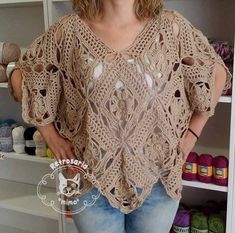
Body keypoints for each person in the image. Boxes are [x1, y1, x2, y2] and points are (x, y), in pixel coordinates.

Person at [8, 0, 231, 232]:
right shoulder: (68, 32)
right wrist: (52, 139)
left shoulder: (170, 27)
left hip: (158, 181)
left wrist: (190, 137)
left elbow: (216, 75)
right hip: (90, 182)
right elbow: (21, 79)